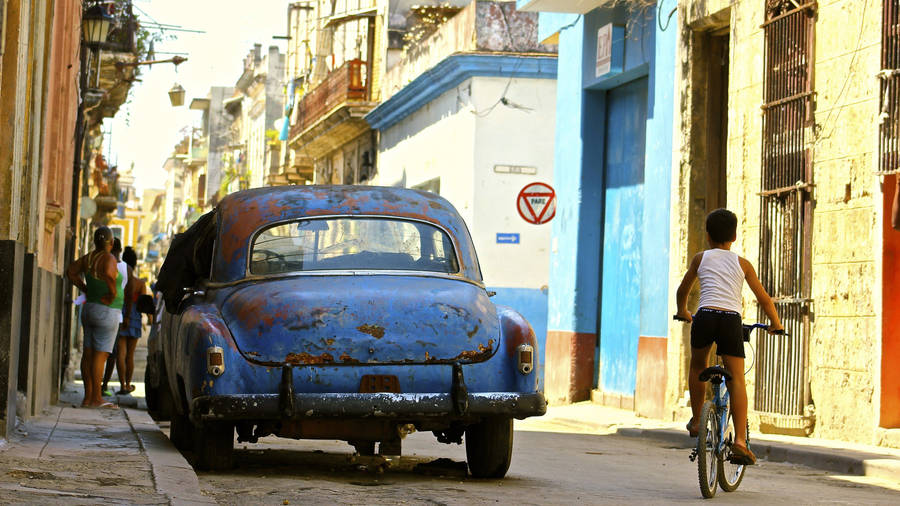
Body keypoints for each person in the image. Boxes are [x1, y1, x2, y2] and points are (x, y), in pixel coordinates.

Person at [674, 208, 784, 466]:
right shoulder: (743, 264)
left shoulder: (700, 258)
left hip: (705, 316)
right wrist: (775, 324)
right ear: (734, 236)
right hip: (730, 320)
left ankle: (697, 420)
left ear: (708, 235)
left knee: (698, 365)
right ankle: (740, 442)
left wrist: (683, 311)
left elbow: (683, 289)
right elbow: (764, 298)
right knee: (736, 380)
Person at [65, 227, 123, 409]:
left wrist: (85, 288)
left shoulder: (88, 258)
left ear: (95, 242)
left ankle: (88, 397)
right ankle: (97, 398)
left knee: (88, 354)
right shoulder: (109, 258)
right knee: (101, 355)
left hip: (89, 308)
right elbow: (108, 274)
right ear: (111, 243)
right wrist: (112, 293)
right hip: (107, 310)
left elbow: (70, 272)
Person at [101, 238, 129, 397]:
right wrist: (128, 317)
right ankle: (104, 384)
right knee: (112, 352)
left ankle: (97, 385)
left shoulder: (104, 264)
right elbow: (130, 293)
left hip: (103, 307)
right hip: (118, 313)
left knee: (100, 351)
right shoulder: (127, 268)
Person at [116, 246, 145, 394]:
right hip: (135, 318)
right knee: (130, 355)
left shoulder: (121, 280)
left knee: (120, 352)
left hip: (121, 314)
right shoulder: (140, 284)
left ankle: (122, 385)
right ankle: (128, 384)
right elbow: (144, 304)